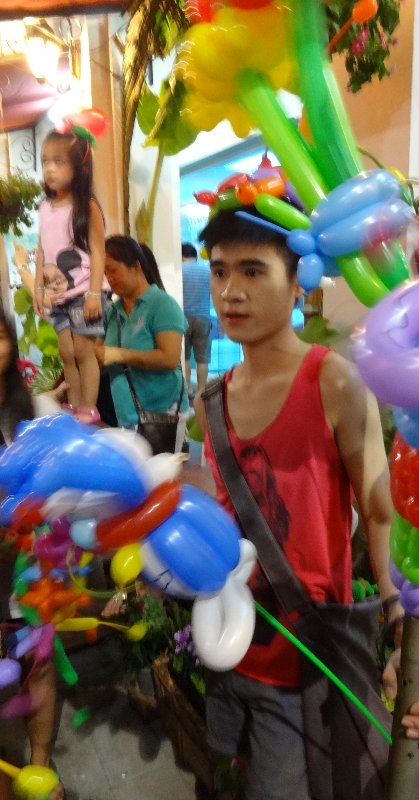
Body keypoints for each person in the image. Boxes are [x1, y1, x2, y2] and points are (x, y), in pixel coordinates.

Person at [193, 207, 419, 800]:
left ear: (298, 281)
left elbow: (380, 512)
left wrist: (406, 634)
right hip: (225, 643)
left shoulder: (334, 383)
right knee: (229, 770)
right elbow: (221, 508)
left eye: (253, 271)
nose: (230, 291)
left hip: (306, 661)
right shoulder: (212, 400)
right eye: (220, 271)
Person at [0, 308, 65, 800]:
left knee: (39, 665)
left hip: (32, 563)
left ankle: (40, 763)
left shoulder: (34, 408)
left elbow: (63, 480)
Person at [14, 128, 109, 425]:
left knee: (83, 350)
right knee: (67, 352)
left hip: (84, 291)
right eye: (45, 161)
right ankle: (76, 406)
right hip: (58, 293)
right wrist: (39, 290)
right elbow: (42, 249)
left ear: (79, 167)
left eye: (59, 161)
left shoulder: (87, 206)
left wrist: (94, 294)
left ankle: (89, 408)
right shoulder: (44, 206)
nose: (50, 169)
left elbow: (99, 252)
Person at [95, 235, 189, 452]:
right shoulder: (112, 311)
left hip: (162, 414)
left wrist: (120, 355)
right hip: (126, 416)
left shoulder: (162, 305)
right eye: (105, 273)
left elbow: (169, 358)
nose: (109, 278)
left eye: (113, 270)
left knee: (163, 472)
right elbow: (99, 354)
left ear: (135, 266)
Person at [181, 242, 211, 397]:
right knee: (202, 359)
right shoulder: (207, 271)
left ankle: (187, 390)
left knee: (184, 356)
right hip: (203, 317)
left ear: (181, 255)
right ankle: (201, 392)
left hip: (183, 318)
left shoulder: (179, 271)